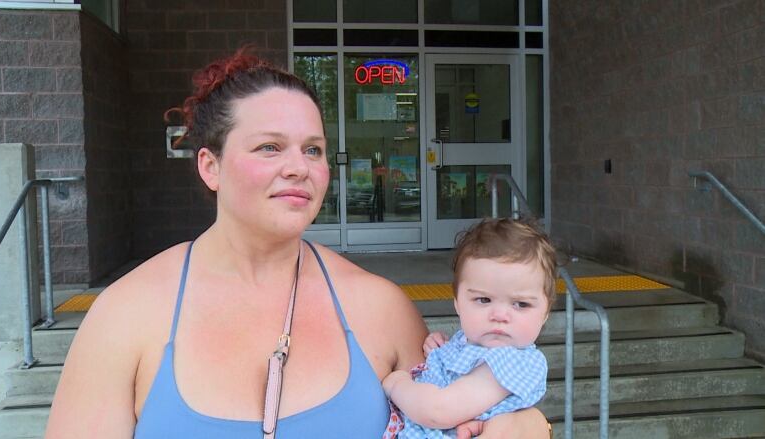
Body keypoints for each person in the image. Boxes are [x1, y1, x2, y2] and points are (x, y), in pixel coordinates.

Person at [45, 47, 550, 439]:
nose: (299, 167)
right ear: (210, 166)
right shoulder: (127, 314)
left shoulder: (376, 305)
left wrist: (525, 422)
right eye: (270, 147)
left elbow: (475, 409)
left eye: (313, 149)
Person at [382, 219, 557, 438]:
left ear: (546, 312)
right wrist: (441, 350)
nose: (500, 316)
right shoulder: (470, 342)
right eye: (484, 300)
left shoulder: (512, 362)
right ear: (457, 302)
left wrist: (396, 384)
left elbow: (439, 411)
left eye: (521, 304)